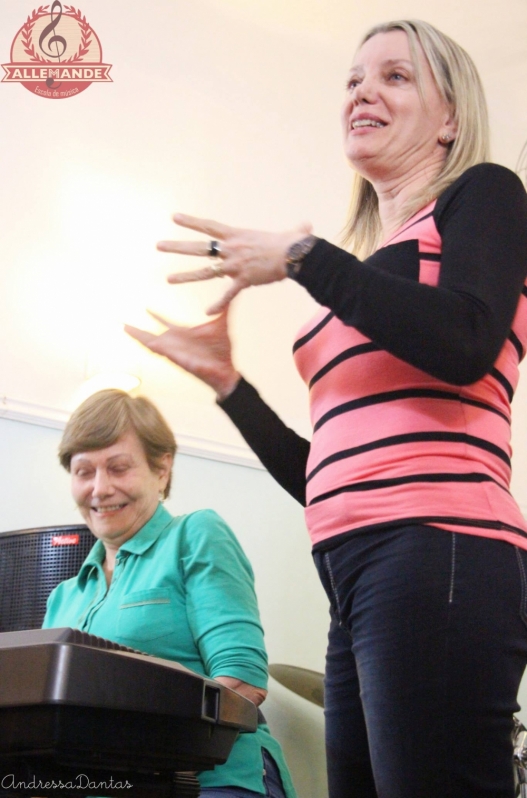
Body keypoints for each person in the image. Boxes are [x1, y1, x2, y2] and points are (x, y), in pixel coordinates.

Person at [125, 18, 527, 798]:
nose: (361, 93)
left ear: (449, 119)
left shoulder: (485, 195)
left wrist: (306, 259)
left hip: (437, 545)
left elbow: (468, 340)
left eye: (394, 77)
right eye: (351, 79)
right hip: (355, 566)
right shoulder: (375, 261)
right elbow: (329, 477)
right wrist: (229, 387)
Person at [42, 389, 296, 798]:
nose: (99, 489)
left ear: (162, 469)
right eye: (84, 471)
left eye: (118, 467)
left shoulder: (194, 534)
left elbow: (242, 682)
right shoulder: (62, 596)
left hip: (208, 779)